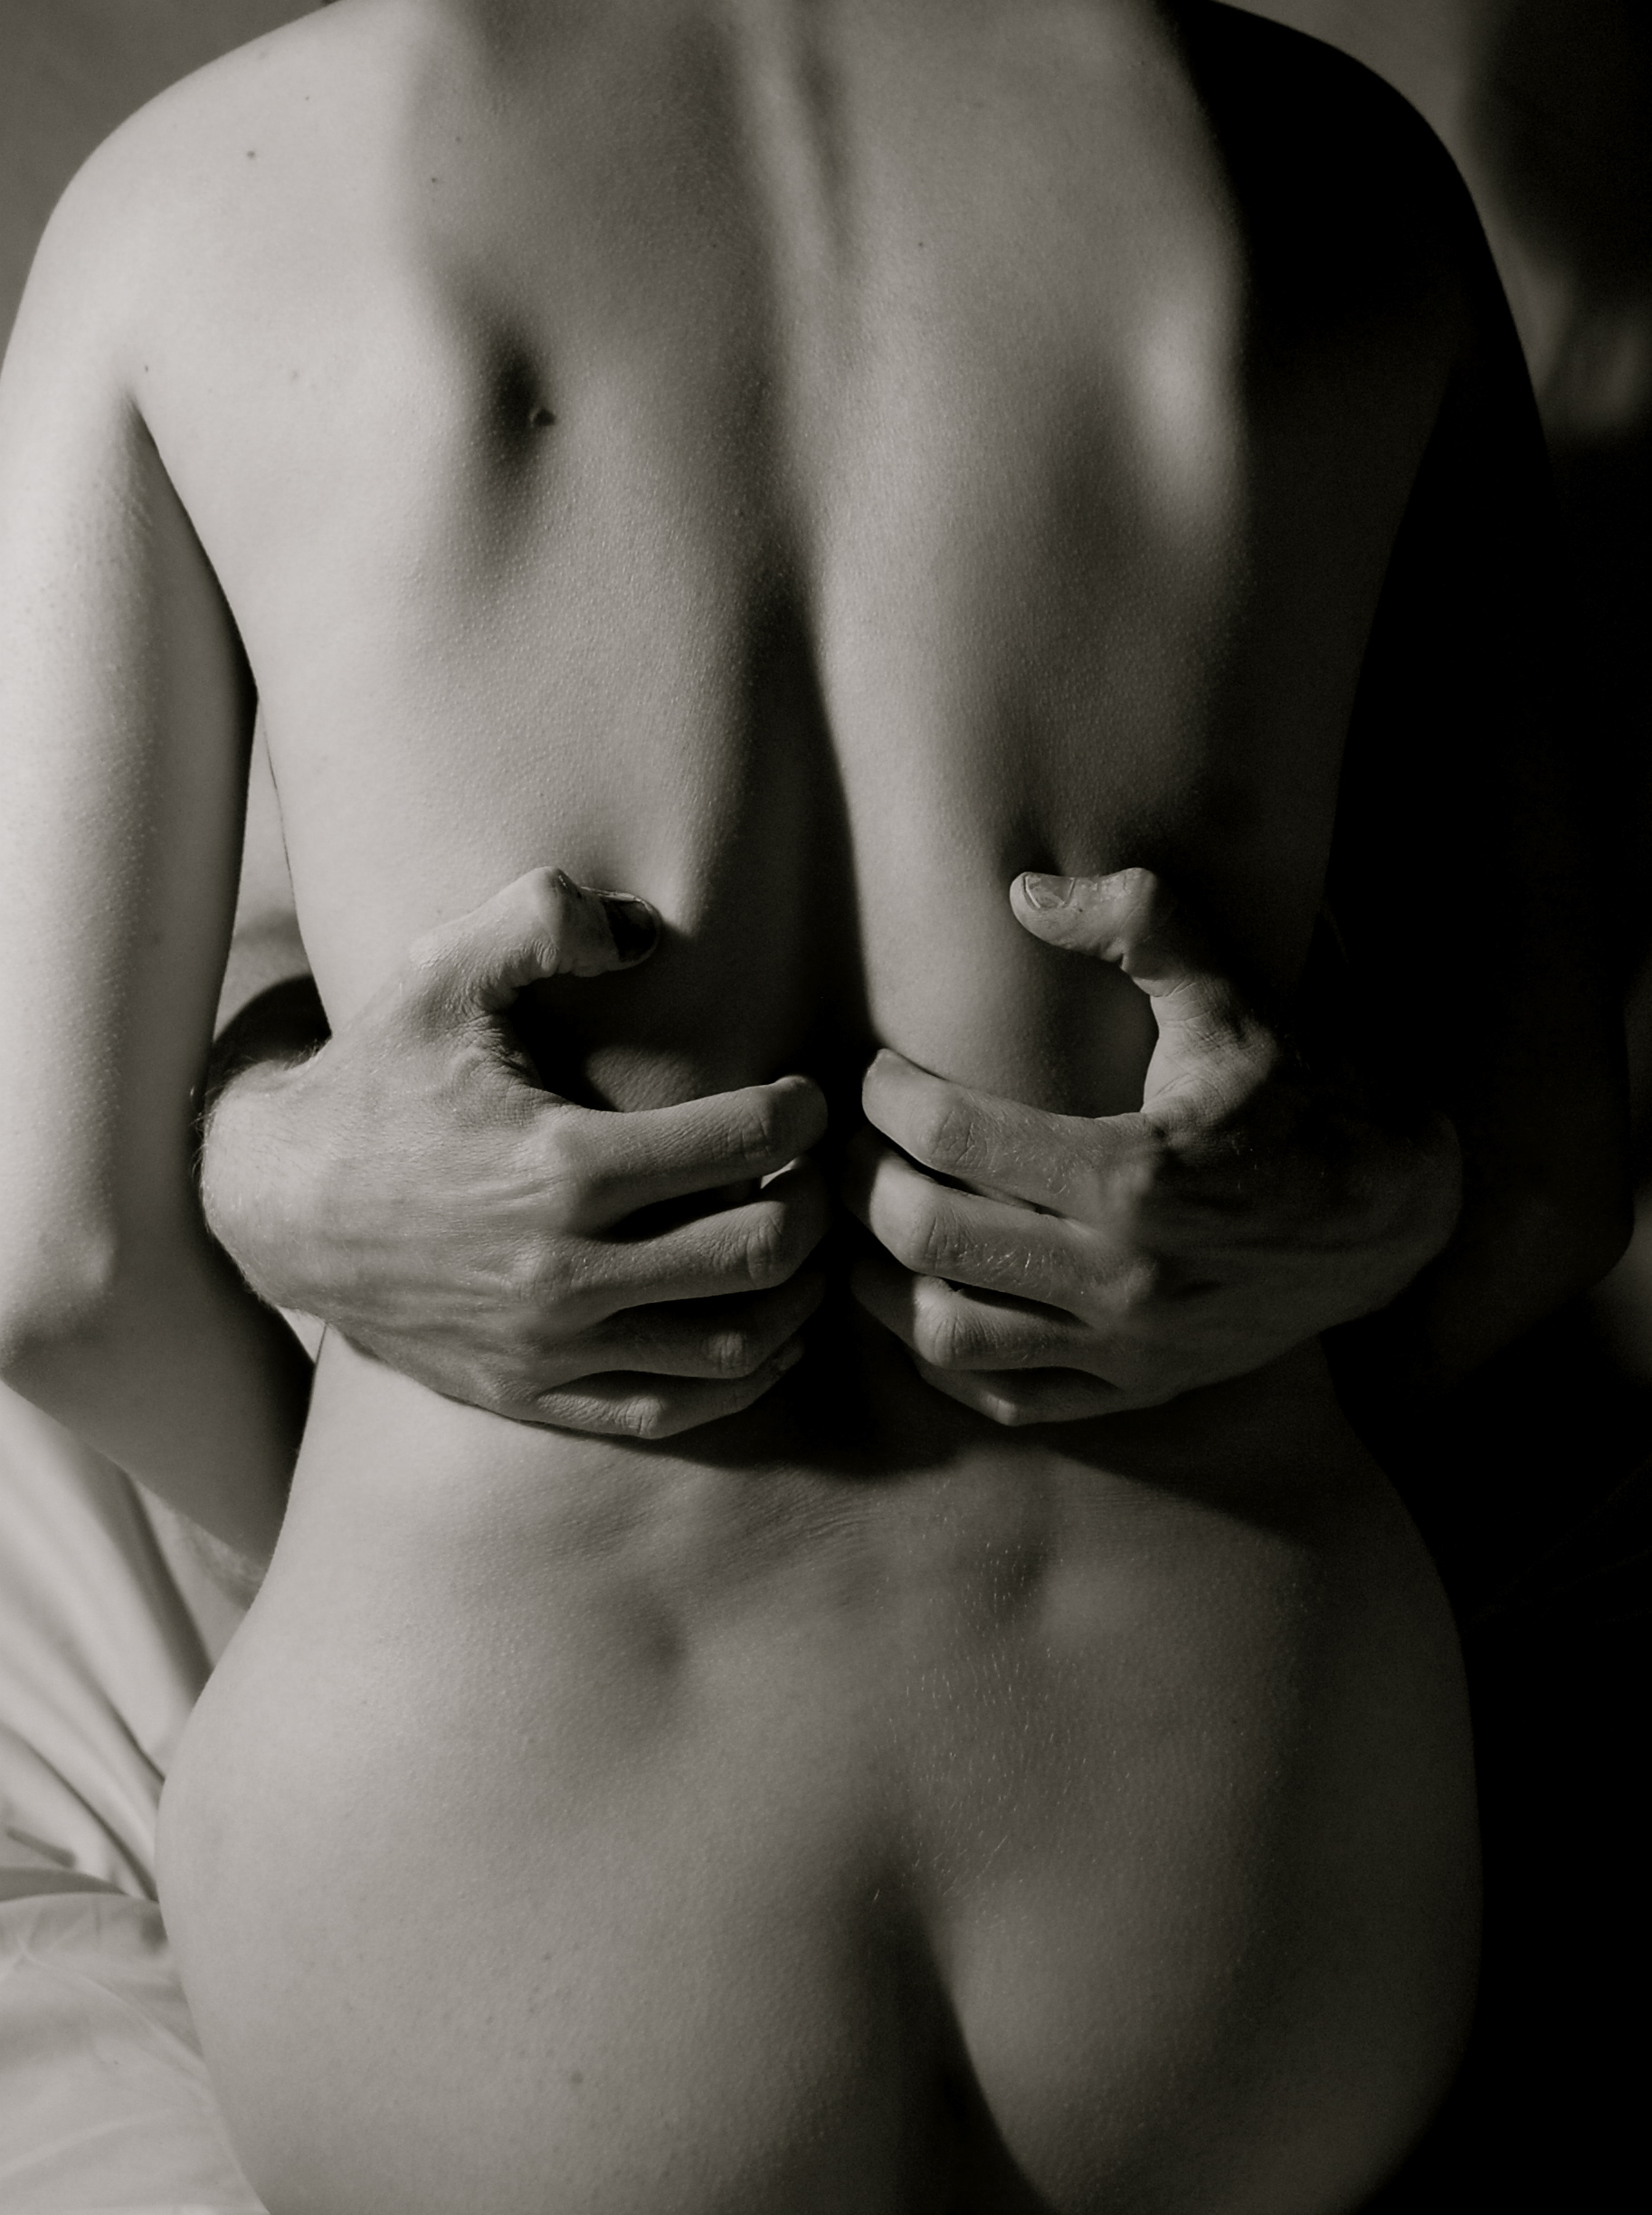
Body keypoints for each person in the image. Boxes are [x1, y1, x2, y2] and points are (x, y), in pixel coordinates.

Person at [0, 2, 1626, 2210]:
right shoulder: (1338, 176)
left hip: (484, 1931)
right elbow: (1543, 1196)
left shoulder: (194, 206)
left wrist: (387, 1521)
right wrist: (1312, 1297)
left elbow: (58, 1273)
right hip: (1249, 1882)